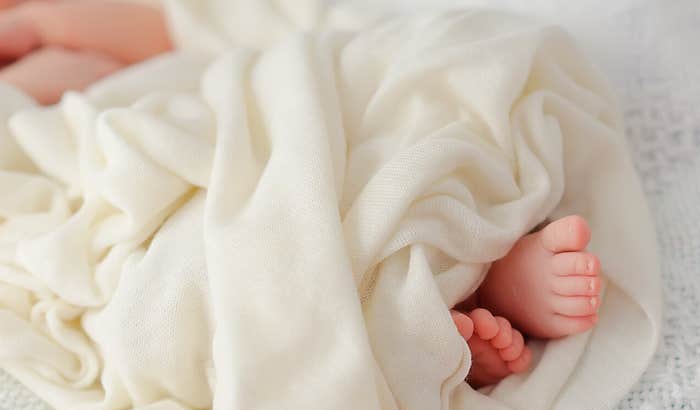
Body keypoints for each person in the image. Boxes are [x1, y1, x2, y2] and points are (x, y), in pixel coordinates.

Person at [0, 0, 602, 387]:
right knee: (206, 273)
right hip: (94, 178)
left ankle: (477, 262)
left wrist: (36, 26)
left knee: (345, 158)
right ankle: (419, 323)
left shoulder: (47, 23)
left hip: (200, 115)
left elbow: (186, 26)